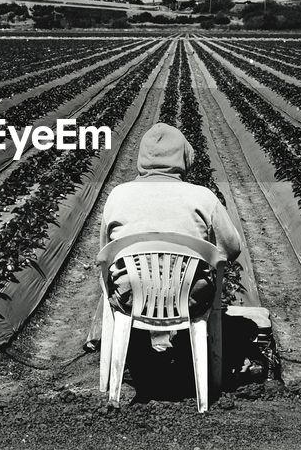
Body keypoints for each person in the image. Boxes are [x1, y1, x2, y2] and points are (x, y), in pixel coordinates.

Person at [99, 122, 242, 351]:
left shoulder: (118, 195)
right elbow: (232, 249)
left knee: (119, 279)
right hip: (188, 300)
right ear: (183, 155)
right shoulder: (203, 197)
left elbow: (106, 254)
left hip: (131, 299)